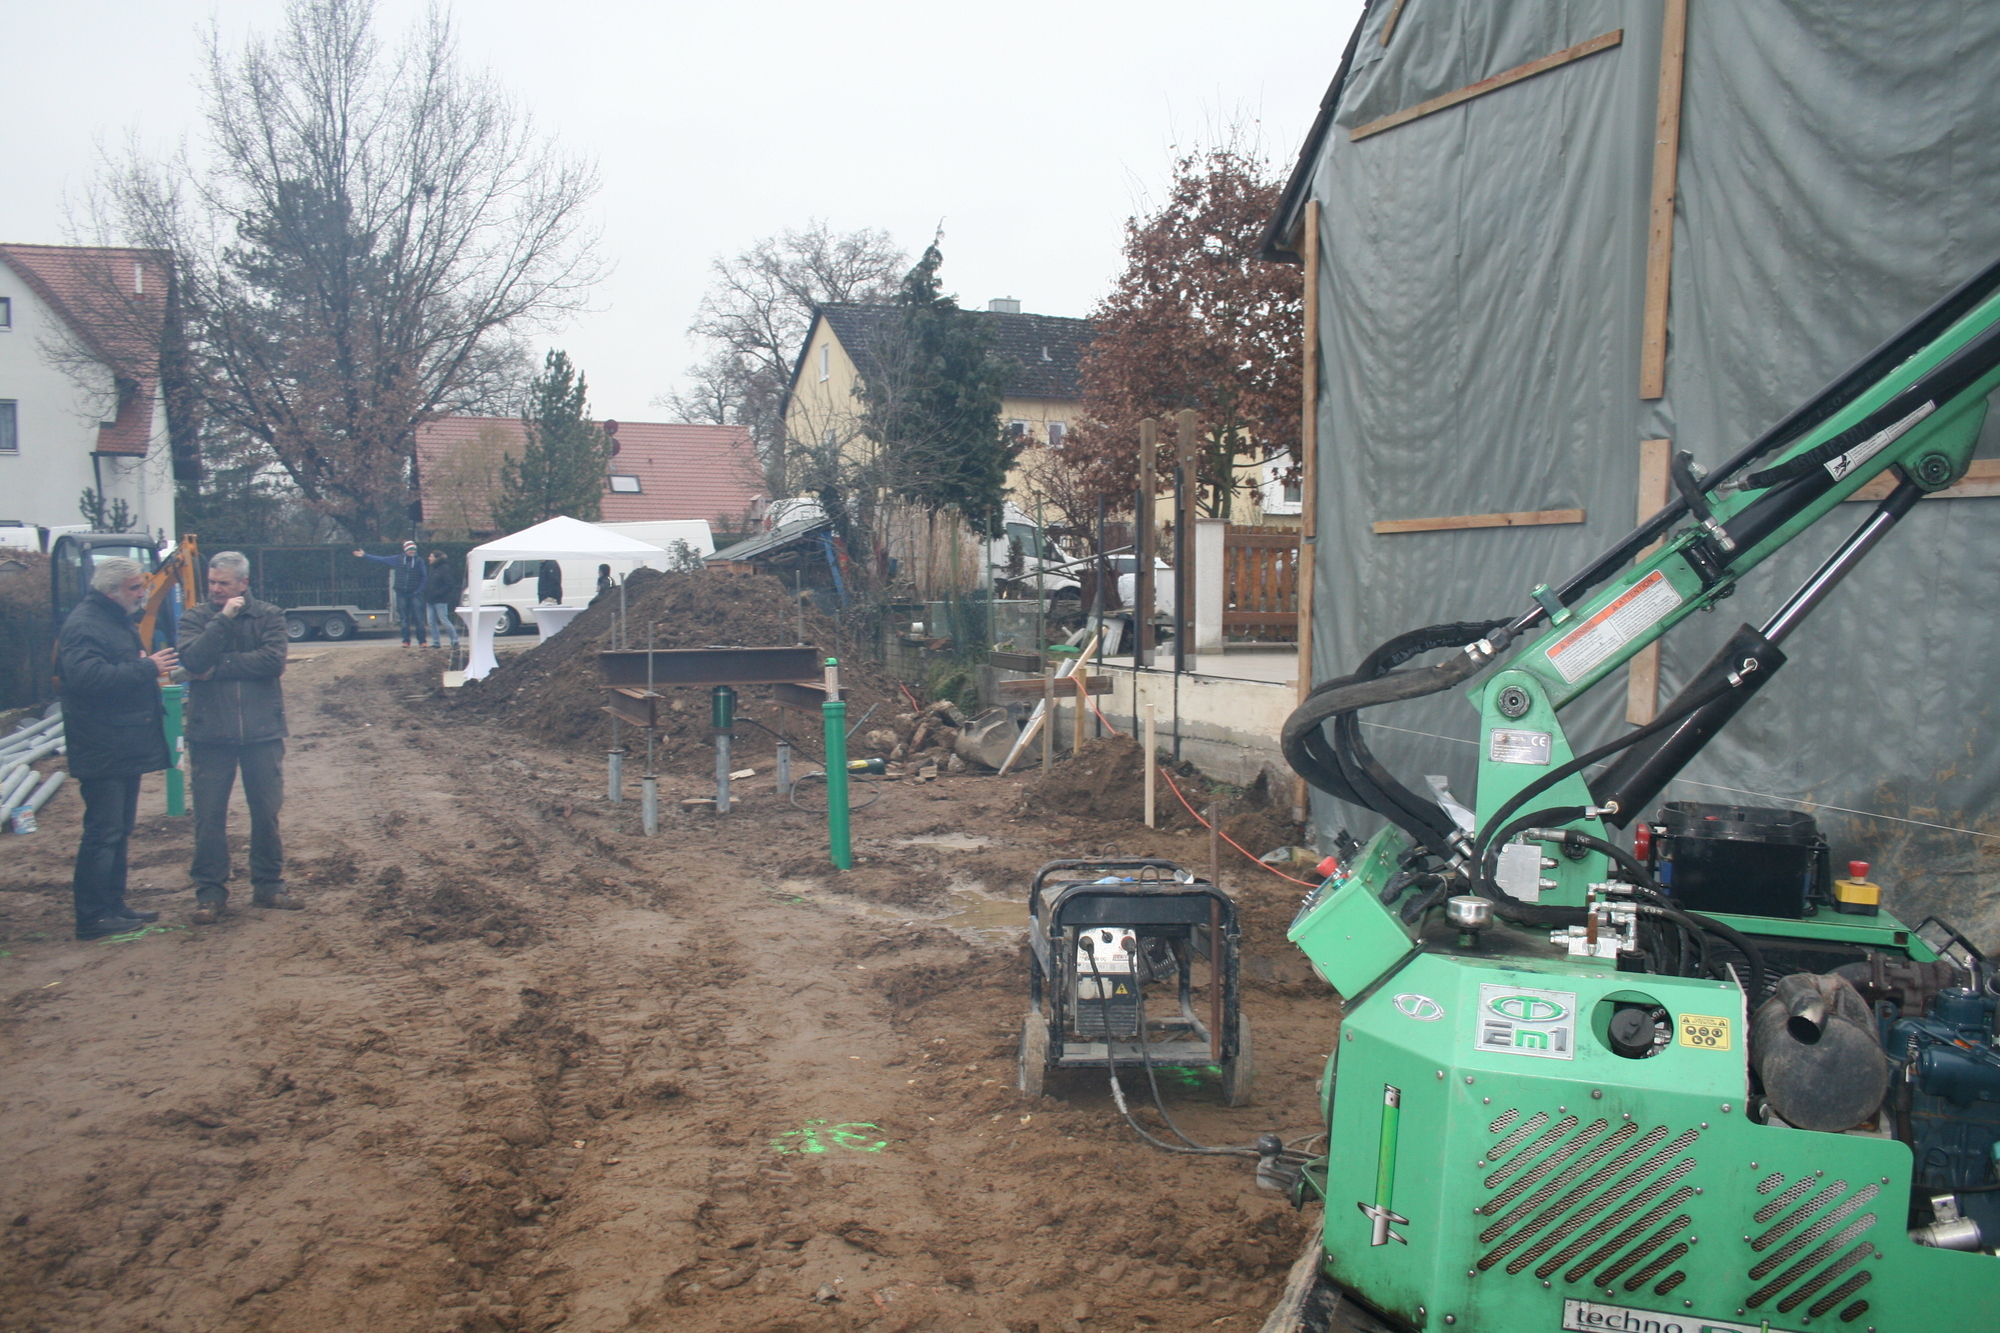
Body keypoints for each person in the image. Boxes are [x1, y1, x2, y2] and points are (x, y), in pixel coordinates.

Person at [57, 557, 175, 939]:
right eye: (134, 588)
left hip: (119, 743)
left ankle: (113, 904)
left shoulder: (109, 620)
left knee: (119, 829)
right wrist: (146, 668)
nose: (142, 593)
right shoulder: (85, 625)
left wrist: (136, 664)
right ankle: (92, 915)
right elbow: (86, 678)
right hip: (102, 745)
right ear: (111, 591)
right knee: (104, 832)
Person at [178, 551, 295, 924]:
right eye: (212, 582)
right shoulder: (196, 618)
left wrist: (218, 668)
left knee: (265, 813)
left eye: (223, 583)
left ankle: (269, 886)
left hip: (262, 734)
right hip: (209, 735)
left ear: (243, 584)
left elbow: (272, 662)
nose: (215, 589)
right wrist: (223, 620)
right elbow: (194, 660)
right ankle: (210, 894)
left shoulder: (270, 616)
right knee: (209, 818)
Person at [353, 540, 430, 646]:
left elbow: (424, 577)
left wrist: (419, 590)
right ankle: (406, 640)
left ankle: (422, 641)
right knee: (404, 618)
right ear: (405, 550)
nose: (412, 551)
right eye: (410, 550)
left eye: (413, 550)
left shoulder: (419, 561)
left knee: (418, 618)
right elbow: (381, 560)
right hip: (401, 593)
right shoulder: (398, 559)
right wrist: (365, 555)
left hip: (414, 593)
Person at [422, 549, 462, 649]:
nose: (429, 558)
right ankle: (436, 643)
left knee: (444, 620)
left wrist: (438, 593)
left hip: (440, 600)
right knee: (431, 622)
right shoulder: (432, 568)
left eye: (431, 556)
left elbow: (450, 584)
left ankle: (455, 641)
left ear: (436, 558)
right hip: (430, 599)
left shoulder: (444, 569)